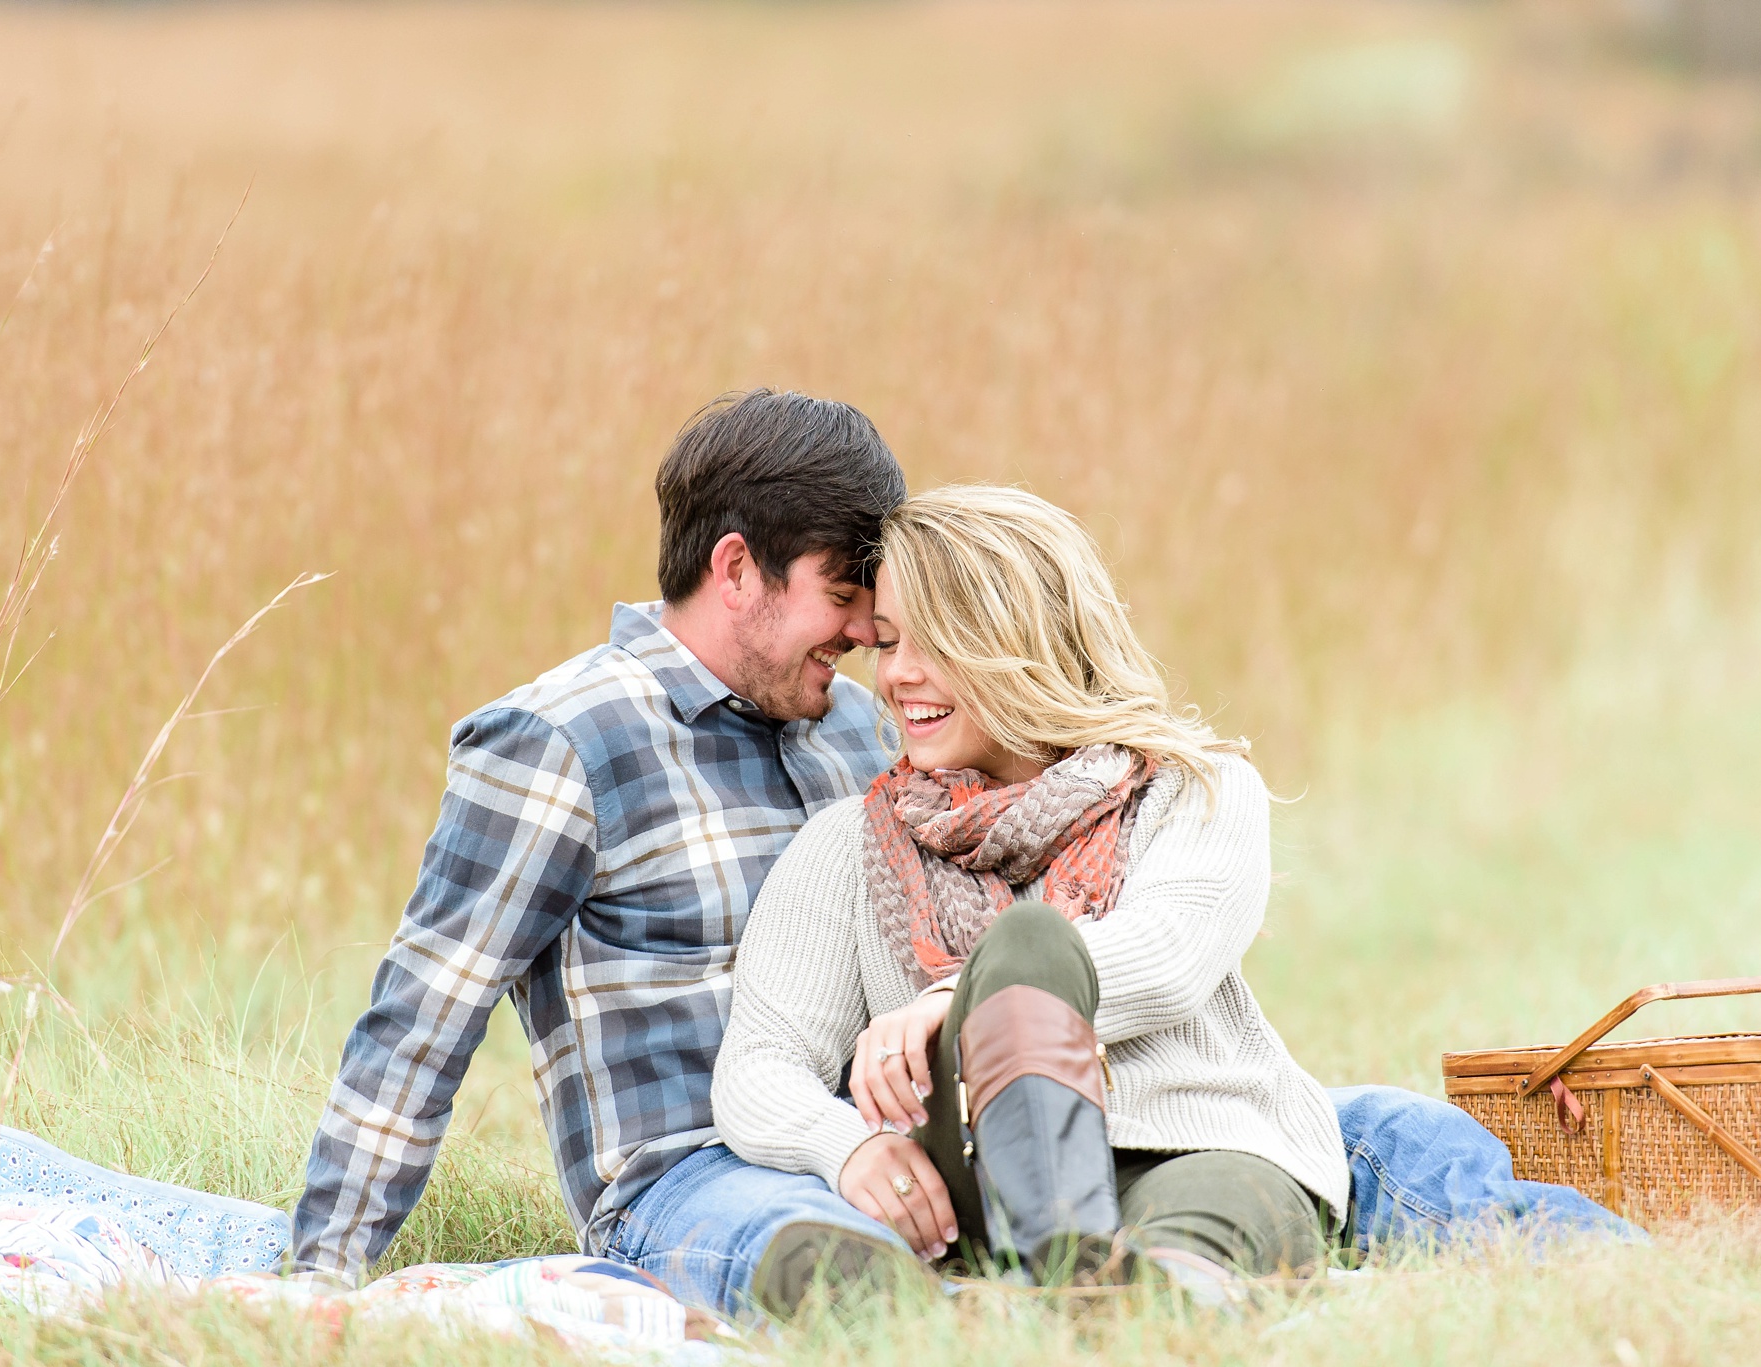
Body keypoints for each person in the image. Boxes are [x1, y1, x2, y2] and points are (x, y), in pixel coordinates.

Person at [288, 389, 921, 1316]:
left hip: (872, 1144)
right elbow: (423, 1022)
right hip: (693, 1182)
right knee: (842, 1273)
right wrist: (318, 1280)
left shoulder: (856, 727)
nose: (867, 632)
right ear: (737, 568)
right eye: (839, 593)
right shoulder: (562, 741)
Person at [714, 485, 1348, 1285]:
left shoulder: (1195, 789)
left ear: (1024, 639)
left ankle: (1088, 1300)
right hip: (982, 1193)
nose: (898, 674)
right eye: (886, 641)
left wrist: (960, 996)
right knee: (805, 1261)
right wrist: (848, 1147)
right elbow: (758, 1065)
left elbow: (1170, 954)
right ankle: (1063, 1270)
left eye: (934, 642)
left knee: (1193, 1243)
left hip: (1197, 1147)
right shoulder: (846, 844)